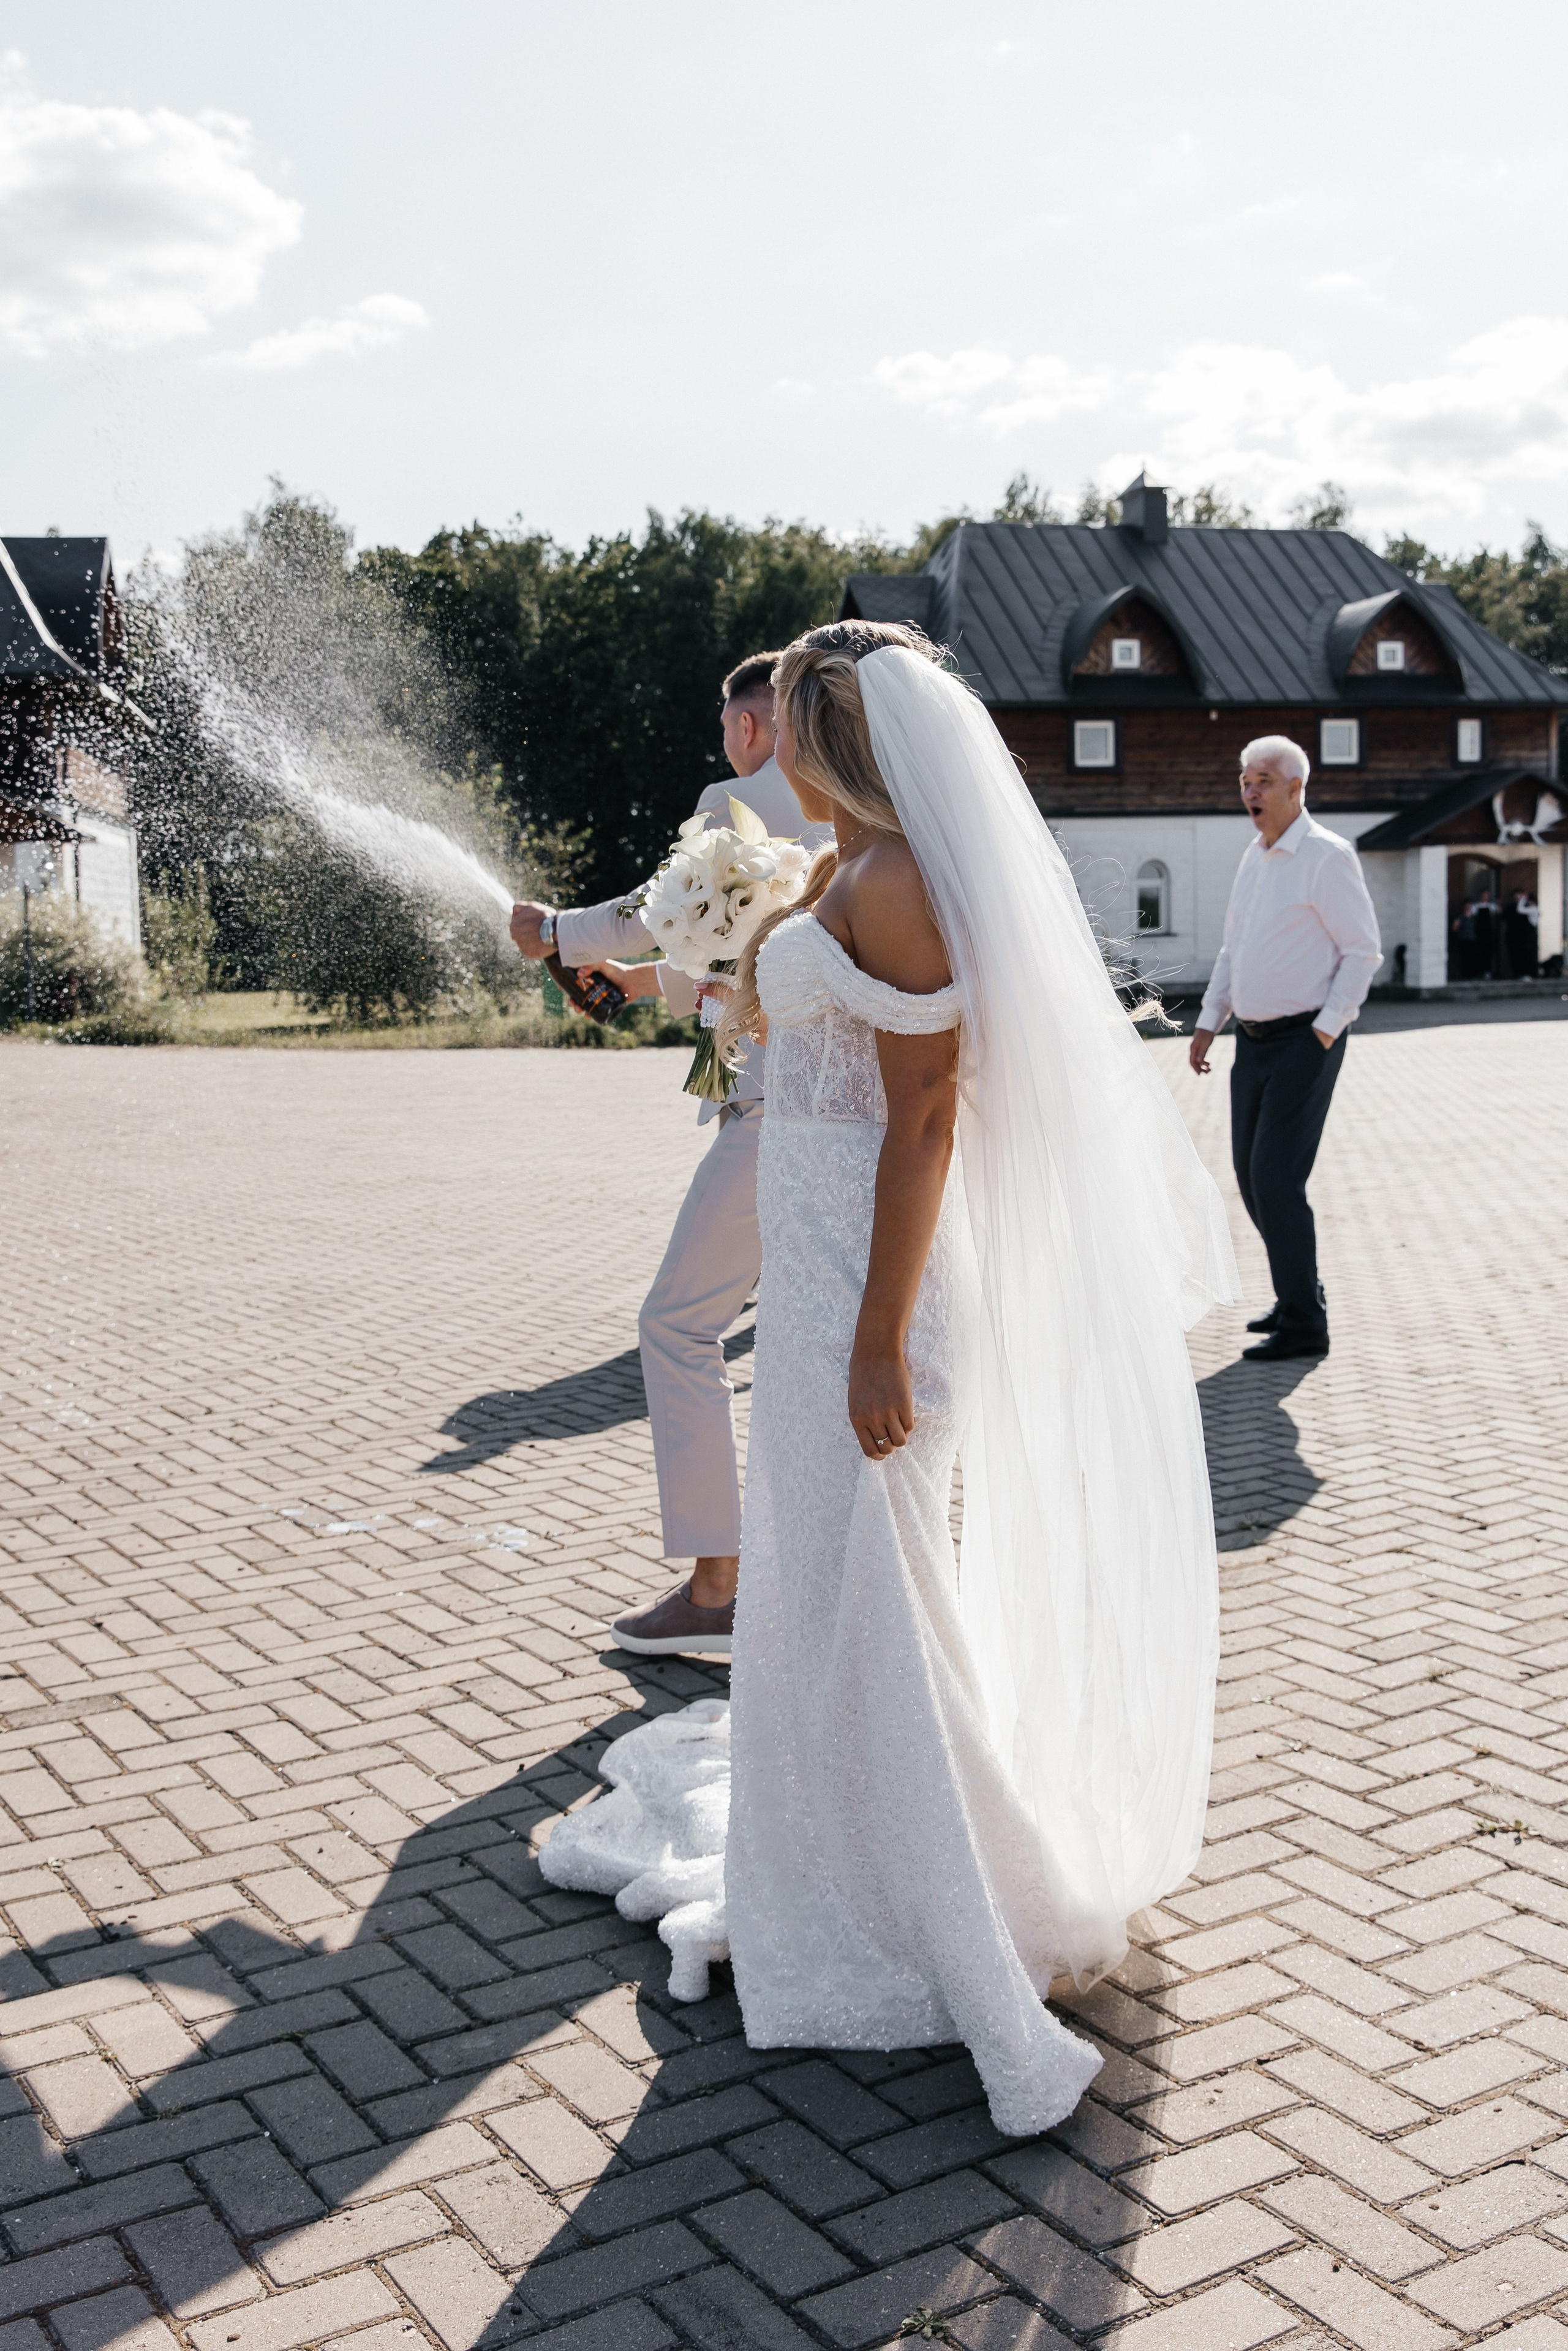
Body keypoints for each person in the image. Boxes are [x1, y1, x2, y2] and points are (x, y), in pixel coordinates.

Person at [540, 624, 1237, 2138]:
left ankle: (940, 1903)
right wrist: (693, 984)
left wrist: (874, 1333)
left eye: (788, 714)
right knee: (829, 1585)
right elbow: (814, 1051)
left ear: (833, 732)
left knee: (879, 1582)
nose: (767, 735)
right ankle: (842, 1872)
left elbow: (924, 1117)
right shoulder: (842, 866)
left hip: (873, 1293)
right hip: (814, 1276)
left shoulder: (901, 877)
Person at [509, 655, 831, 1657]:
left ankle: (718, 1587)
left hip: (771, 1113)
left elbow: (658, 907)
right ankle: (798, 1575)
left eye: (726, 723)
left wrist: (552, 932)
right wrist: (631, 982)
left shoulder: (741, 799)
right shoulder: (842, 816)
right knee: (806, 1344)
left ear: (749, 725)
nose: (724, 741)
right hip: (823, 1111)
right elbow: (724, 958)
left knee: (676, 1326)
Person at [1189, 735, 1382, 1362]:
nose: (1250, 791)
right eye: (1245, 780)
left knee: (1276, 1179)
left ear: (1296, 788)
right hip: (1251, 1042)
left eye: (1263, 781)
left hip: (1304, 1041)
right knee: (1251, 1178)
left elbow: (1362, 952)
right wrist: (1208, 1020)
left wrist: (1326, 1029)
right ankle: (1297, 1293)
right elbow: (1234, 948)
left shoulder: (1327, 857)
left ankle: (1304, 1324)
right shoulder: (1254, 856)